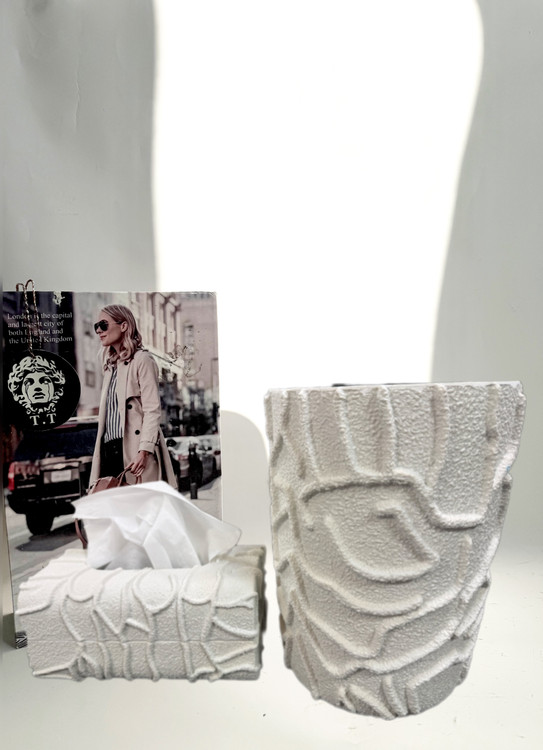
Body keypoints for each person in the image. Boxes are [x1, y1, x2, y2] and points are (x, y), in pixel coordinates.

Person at [89, 304, 177, 488]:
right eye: (96, 326)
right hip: (109, 450)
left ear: (123, 326)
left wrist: (144, 450)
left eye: (103, 325)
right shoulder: (110, 366)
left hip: (134, 450)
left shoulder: (142, 360)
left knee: (139, 503)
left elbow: (152, 410)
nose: (98, 330)